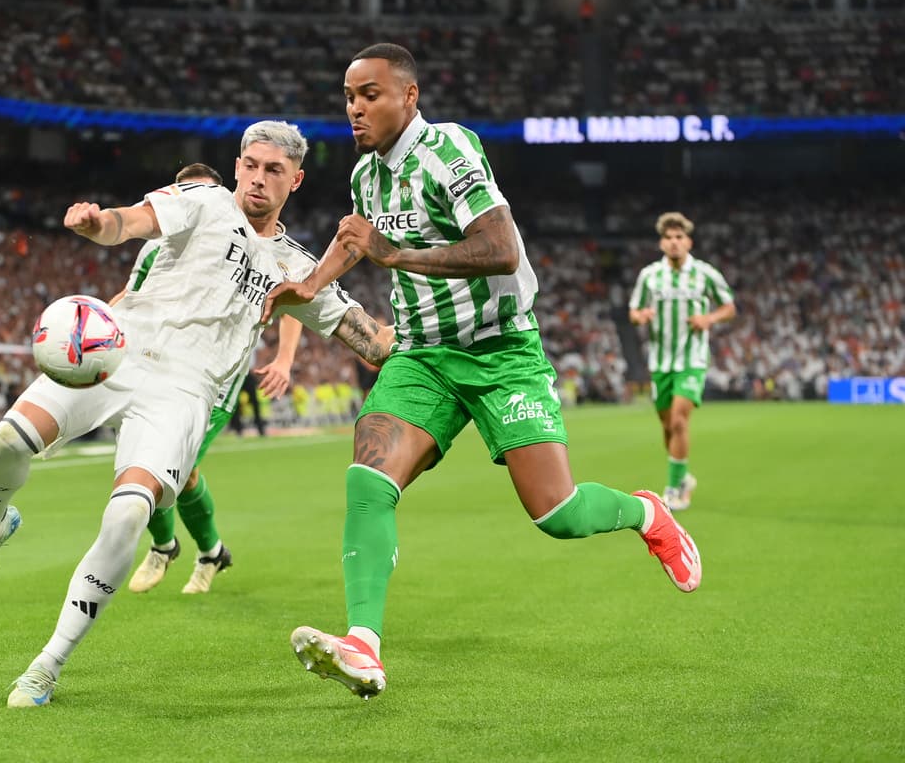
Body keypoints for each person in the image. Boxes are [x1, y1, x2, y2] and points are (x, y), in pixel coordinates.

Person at [262, 43, 703, 700]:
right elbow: (358, 242)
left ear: (408, 96)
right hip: (423, 357)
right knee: (368, 474)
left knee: (557, 512)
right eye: (349, 97)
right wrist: (310, 283)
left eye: (370, 95)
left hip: (501, 351)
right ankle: (363, 645)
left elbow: (501, 250)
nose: (355, 108)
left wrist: (398, 255)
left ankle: (647, 514)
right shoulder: (366, 177)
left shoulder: (449, 151)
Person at [0, 120, 396, 708]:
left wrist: (437, 314)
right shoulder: (204, 200)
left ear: (296, 179)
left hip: (184, 393)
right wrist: (98, 223)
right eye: (250, 165)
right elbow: (131, 220)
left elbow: (370, 342)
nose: (258, 179)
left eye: (273, 170)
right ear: (236, 166)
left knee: (128, 517)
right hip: (121, 350)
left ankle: (45, 666)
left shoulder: (298, 267)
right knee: (7, 443)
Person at [115, 162, 305, 596]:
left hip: (214, 382)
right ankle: (203, 551)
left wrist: (285, 358)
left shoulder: (249, 244)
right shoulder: (154, 246)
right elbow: (131, 297)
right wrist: (93, 328)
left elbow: (294, 296)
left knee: (168, 467)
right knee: (149, 463)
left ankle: (176, 548)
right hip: (152, 369)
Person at [629, 212, 735, 510]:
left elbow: (729, 307)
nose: (674, 243)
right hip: (660, 361)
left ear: (688, 241)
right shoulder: (650, 276)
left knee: (678, 420)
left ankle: (674, 489)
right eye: (668, 238)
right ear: (662, 243)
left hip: (692, 358)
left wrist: (708, 318)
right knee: (667, 426)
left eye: (679, 237)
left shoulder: (705, 274)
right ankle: (684, 477)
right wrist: (642, 316)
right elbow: (634, 312)